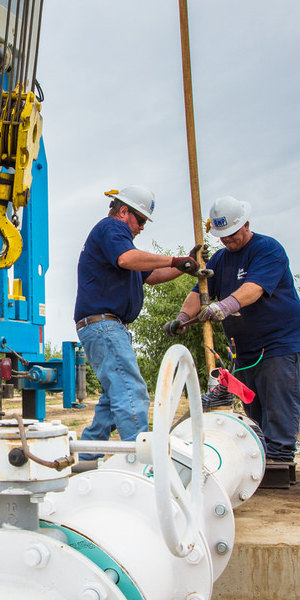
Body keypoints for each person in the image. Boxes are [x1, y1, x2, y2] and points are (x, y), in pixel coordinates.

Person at [166, 195, 300, 472]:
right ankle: (263, 459)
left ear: (246, 225)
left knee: (278, 403)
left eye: (231, 234)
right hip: (244, 348)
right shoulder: (219, 259)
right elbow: (199, 292)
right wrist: (183, 317)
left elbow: (254, 288)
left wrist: (225, 306)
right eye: (222, 236)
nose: (227, 240)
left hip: (278, 342)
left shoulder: (267, 249)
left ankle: (280, 462)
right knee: (254, 408)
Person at [74, 184, 204, 446]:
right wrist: (173, 259)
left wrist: (183, 266)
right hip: (104, 325)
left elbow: (153, 277)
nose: (142, 227)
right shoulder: (113, 229)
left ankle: (88, 456)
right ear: (123, 211)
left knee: (113, 398)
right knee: (132, 393)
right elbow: (127, 259)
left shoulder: (119, 243)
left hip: (104, 326)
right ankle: (141, 460)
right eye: (141, 220)